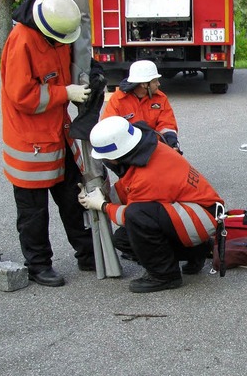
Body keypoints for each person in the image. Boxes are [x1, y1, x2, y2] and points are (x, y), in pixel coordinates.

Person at [0, 0, 101, 287]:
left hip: (58, 132)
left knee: (74, 197)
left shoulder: (57, 31)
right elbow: (22, 96)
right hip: (29, 142)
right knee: (33, 212)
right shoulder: (22, 41)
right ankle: (38, 265)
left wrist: (91, 72)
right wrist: (64, 93)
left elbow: (71, 59)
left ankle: (87, 253)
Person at [78, 116, 224, 293]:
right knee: (124, 239)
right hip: (198, 210)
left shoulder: (147, 176)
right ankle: (197, 250)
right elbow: (128, 186)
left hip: (201, 216)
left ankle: (165, 275)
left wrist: (102, 205)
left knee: (137, 218)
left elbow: (131, 215)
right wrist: (104, 195)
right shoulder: (147, 149)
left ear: (115, 157)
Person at [101, 60, 181, 152]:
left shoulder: (160, 98)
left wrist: (172, 143)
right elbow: (108, 129)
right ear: (144, 84)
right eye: (155, 81)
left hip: (154, 147)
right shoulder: (118, 99)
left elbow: (167, 124)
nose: (158, 84)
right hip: (127, 150)